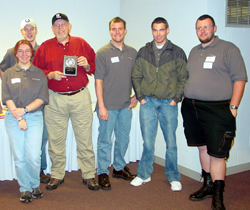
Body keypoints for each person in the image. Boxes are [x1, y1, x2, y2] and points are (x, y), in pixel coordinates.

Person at [181, 14, 247, 210]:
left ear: (214, 28)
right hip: (192, 108)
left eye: (206, 27)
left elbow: (240, 79)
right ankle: (207, 185)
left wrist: (233, 107)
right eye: (199, 28)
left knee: (217, 154)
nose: (202, 31)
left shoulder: (229, 49)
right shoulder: (193, 51)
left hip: (218, 110)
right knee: (202, 147)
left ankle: (218, 195)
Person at [33, 13, 99, 191]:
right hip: (55, 99)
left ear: (69, 26)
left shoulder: (81, 43)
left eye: (63, 24)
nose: (60, 27)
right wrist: (49, 74)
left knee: (85, 138)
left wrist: (86, 65)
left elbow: (94, 64)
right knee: (55, 141)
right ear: (53, 28)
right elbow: (35, 71)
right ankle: (56, 174)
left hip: (80, 98)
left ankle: (89, 174)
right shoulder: (45, 47)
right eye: (56, 25)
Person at [130, 17, 187, 191]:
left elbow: (183, 78)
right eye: (155, 30)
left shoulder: (177, 52)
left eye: (161, 30)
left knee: (171, 142)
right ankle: (143, 174)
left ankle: (173, 177)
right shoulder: (143, 51)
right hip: (147, 102)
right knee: (148, 142)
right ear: (152, 31)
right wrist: (140, 97)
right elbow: (136, 76)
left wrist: (176, 99)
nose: (158, 33)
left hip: (168, 104)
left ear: (167, 30)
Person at [0, 18, 50, 184]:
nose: (24, 54)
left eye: (32, 29)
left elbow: (43, 92)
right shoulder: (10, 53)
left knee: (36, 148)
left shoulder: (42, 51)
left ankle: (38, 172)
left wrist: (26, 110)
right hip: (15, 111)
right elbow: (5, 92)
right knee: (20, 154)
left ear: (36, 30)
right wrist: (8, 78)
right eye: (25, 29)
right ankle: (26, 186)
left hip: (35, 109)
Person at [95, 17, 137, 190]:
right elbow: (98, 81)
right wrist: (101, 106)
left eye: (120, 28)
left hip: (126, 105)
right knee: (105, 140)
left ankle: (118, 167)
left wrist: (136, 95)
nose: (117, 31)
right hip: (108, 107)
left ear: (125, 31)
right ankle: (103, 171)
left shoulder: (133, 53)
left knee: (123, 138)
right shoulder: (103, 53)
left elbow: (136, 77)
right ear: (110, 31)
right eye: (114, 29)